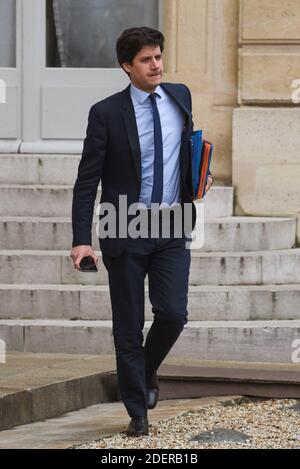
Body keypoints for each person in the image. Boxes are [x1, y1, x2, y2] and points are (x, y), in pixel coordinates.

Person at [70, 26, 213, 437]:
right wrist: (82, 239)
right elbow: (87, 181)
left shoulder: (179, 96)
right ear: (126, 67)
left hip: (170, 224)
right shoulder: (106, 113)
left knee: (172, 313)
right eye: (147, 59)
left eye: (159, 56)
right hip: (124, 227)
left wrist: (199, 177)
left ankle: (145, 370)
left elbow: (186, 149)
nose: (157, 65)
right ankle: (138, 412)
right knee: (128, 324)